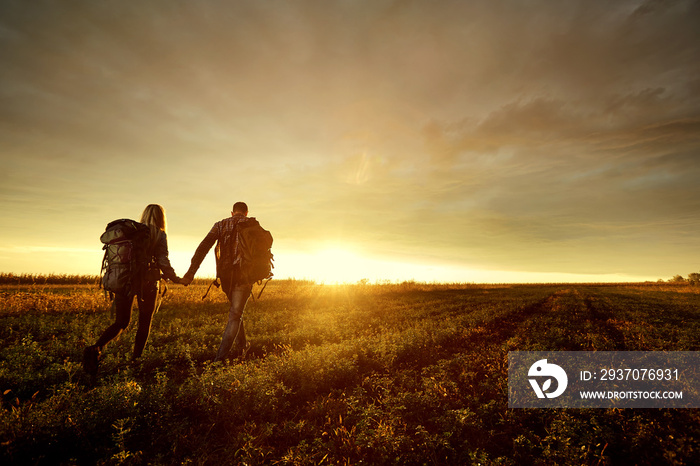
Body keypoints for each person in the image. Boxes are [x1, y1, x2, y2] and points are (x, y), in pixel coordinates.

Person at [84, 204, 181, 376]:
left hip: (124, 279)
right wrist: (175, 278)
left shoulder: (132, 231)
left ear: (144, 215)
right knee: (144, 322)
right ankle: (136, 360)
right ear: (161, 218)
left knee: (121, 322)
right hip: (148, 283)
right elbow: (162, 259)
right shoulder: (159, 234)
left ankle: (95, 348)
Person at [180, 201, 253, 363]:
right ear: (246, 212)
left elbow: (203, 247)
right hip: (246, 277)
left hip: (226, 277)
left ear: (232, 212)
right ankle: (220, 360)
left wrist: (190, 273)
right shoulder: (252, 224)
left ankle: (241, 346)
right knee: (236, 314)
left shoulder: (220, 225)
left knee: (236, 312)